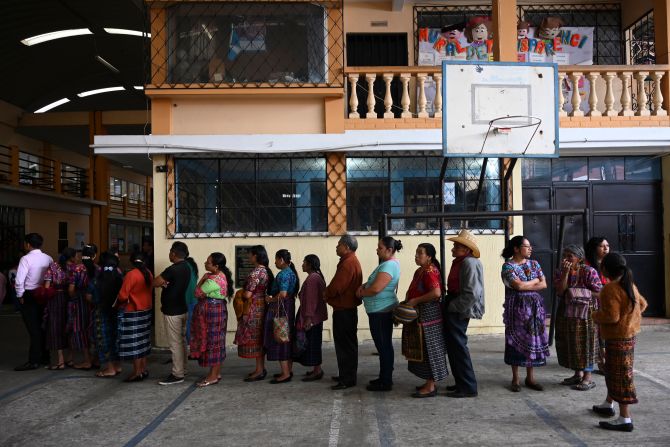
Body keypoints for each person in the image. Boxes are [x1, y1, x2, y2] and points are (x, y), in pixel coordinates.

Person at [591, 253, 648, 432]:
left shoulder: (610, 289)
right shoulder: (629, 285)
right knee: (616, 372)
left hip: (616, 338)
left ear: (605, 270)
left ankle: (625, 418)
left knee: (620, 376)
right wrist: (630, 319)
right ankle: (608, 403)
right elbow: (643, 304)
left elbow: (612, 316)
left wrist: (594, 315)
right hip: (629, 337)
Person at [501, 236, 550, 392]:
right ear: (516, 248)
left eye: (530, 246)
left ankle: (530, 377)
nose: (530, 249)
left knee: (532, 339)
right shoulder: (508, 266)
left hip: (535, 308)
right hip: (516, 308)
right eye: (526, 246)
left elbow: (544, 284)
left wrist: (527, 284)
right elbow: (518, 286)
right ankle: (515, 378)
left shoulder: (534, 264)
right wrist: (534, 281)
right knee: (514, 339)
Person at [553, 244, 603, 391]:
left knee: (586, 343)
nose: (566, 259)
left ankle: (587, 378)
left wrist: (578, 292)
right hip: (566, 312)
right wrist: (565, 274)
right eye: (564, 256)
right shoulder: (560, 272)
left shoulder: (589, 271)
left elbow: (599, 293)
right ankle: (577, 374)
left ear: (579, 258)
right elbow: (561, 292)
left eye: (570, 256)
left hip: (586, 313)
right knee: (571, 343)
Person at [356, 236, 401, 392]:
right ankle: (384, 377)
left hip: (381, 310)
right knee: (383, 345)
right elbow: (373, 283)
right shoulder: (388, 264)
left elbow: (376, 289)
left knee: (384, 346)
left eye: (380, 248)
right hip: (379, 309)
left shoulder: (389, 265)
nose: (377, 250)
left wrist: (362, 292)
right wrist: (364, 287)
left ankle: (386, 381)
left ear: (389, 250)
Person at [443, 229, 484, 398]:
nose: (453, 249)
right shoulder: (461, 261)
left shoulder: (469, 263)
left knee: (458, 347)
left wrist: (453, 306)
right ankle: (461, 382)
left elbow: (472, 293)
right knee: (454, 347)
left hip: (459, 308)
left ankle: (468, 386)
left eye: (457, 246)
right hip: (456, 304)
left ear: (466, 249)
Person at [404, 243, 449, 398]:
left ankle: (430, 387)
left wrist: (415, 301)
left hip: (429, 317)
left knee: (429, 349)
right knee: (424, 349)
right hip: (422, 316)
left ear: (429, 256)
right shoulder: (420, 271)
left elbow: (436, 293)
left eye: (420, 253)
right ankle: (429, 383)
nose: (416, 255)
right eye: (416, 252)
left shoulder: (430, 271)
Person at [325, 234, 363, 391]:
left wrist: (325, 294)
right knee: (347, 345)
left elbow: (336, 287)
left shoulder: (348, 263)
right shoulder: (350, 261)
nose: (336, 246)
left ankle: (347, 378)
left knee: (344, 346)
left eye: (339, 244)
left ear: (347, 247)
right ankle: (346, 375)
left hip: (344, 310)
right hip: (346, 309)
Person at [189, 252, 233, 387]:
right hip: (217, 310)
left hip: (211, 312)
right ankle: (216, 373)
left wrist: (202, 279)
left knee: (212, 343)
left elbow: (197, 293)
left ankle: (213, 376)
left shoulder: (213, 280)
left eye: (208, 262)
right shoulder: (221, 276)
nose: (205, 263)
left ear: (216, 266)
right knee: (217, 342)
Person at [154, 241, 192, 385]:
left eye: (170, 252)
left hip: (172, 311)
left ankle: (177, 375)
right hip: (182, 308)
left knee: (175, 343)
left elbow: (156, 282)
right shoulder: (187, 268)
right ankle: (183, 369)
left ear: (174, 253)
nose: (169, 254)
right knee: (181, 341)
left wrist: (163, 282)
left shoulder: (173, 269)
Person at [14, 233, 53, 370]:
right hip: (44, 293)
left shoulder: (25, 259)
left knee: (33, 329)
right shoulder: (48, 258)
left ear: (28, 244)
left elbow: (19, 280)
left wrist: (20, 295)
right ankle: (45, 357)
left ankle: (34, 360)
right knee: (43, 326)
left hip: (30, 295)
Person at [235, 245, 273, 382]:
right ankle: (260, 368)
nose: (248, 257)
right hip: (262, 306)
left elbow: (247, 294)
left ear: (256, 256)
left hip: (253, 308)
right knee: (259, 338)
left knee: (255, 338)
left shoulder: (256, 273)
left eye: (250, 255)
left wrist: (240, 294)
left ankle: (259, 370)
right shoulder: (266, 271)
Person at [117, 252, 154, 382]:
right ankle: (143, 369)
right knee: (143, 341)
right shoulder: (148, 273)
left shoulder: (131, 274)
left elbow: (122, 296)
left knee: (135, 343)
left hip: (133, 312)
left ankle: (137, 372)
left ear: (132, 261)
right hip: (146, 310)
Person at [265, 249, 299, 384]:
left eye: (276, 259)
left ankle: (285, 374)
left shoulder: (284, 274)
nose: (275, 262)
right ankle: (288, 370)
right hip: (288, 307)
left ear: (281, 260)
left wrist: (270, 300)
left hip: (281, 308)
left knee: (280, 337)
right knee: (286, 337)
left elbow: (283, 294)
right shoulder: (291, 273)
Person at [91, 252, 124, 377]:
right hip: (117, 312)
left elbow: (89, 296)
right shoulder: (120, 277)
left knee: (104, 339)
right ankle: (117, 365)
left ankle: (110, 368)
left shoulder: (96, 279)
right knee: (116, 338)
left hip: (101, 313)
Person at [295, 254, 327, 381]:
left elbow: (311, 300)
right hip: (315, 317)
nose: (302, 264)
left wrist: (308, 318)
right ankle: (316, 368)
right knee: (314, 343)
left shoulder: (313, 278)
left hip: (313, 318)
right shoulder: (315, 276)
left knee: (313, 344)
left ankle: (317, 371)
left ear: (309, 264)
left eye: (304, 262)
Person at [42, 247, 76, 370]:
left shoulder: (53, 266)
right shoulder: (75, 268)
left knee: (55, 328)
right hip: (69, 299)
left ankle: (60, 360)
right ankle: (70, 358)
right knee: (70, 326)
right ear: (71, 257)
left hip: (55, 299)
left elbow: (46, 286)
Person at [585, 236, 610, 375]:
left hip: (610, 302)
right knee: (598, 333)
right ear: (594, 249)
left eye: (607, 245)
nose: (606, 248)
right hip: (594, 303)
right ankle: (602, 363)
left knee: (607, 334)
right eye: (602, 246)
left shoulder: (611, 264)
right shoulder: (588, 266)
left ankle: (607, 361)